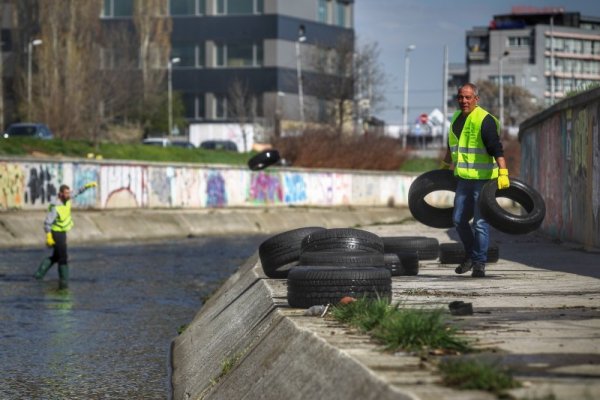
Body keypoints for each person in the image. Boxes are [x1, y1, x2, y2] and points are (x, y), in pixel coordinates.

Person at [441, 83, 510, 278]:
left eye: (468, 97)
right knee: (458, 220)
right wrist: (444, 166)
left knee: (480, 223)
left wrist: (503, 173)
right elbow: (451, 146)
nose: (464, 101)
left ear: (476, 99)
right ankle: (472, 255)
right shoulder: (455, 118)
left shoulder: (484, 120)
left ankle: (479, 263)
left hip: (484, 180)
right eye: (461, 97)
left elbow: (497, 148)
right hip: (464, 179)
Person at [33, 181, 97, 289]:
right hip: (55, 233)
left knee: (56, 256)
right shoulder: (55, 207)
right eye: (66, 193)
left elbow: (77, 192)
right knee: (63, 257)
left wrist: (87, 186)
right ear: (60, 194)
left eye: (68, 192)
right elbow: (47, 223)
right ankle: (63, 282)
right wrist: (48, 236)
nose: (68, 194)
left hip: (62, 232)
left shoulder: (67, 198)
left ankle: (38, 275)